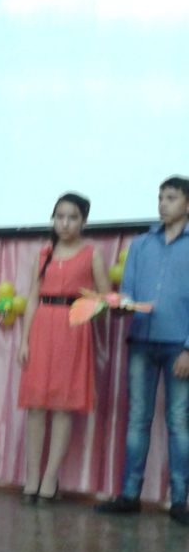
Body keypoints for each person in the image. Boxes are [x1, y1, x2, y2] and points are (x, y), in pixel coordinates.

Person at [96, 176, 189, 525]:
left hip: (179, 345)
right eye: (160, 197)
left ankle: (179, 501)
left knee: (178, 421)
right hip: (141, 342)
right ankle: (129, 495)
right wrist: (120, 305)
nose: (163, 204)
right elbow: (128, 292)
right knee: (137, 418)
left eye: (171, 197)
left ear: (187, 204)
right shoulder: (140, 244)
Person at [17, 193, 109, 503]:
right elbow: (32, 298)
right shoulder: (43, 253)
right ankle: (31, 478)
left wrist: (88, 310)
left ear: (84, 221)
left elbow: (105, 299)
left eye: (72, 217)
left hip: (72, 331)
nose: (65, 223)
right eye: (59, 217)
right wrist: (24, 340)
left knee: (62, 406)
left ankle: (50, 479)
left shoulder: (91, 254)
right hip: (42, 328)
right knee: (35, 406)